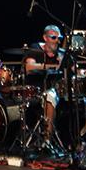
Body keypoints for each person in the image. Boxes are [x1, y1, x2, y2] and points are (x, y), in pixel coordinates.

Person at [22, 24, 66, 153]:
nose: (57, 41)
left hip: (54, 90)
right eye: (53, 37)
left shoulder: (61, 53)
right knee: (49, 96)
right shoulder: (35, 49)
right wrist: (48, 66)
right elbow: (29, 67)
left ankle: (47, 141)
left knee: (51, 96)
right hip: (34, 90)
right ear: (45, 38)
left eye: (59, 38)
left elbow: (73, 69)